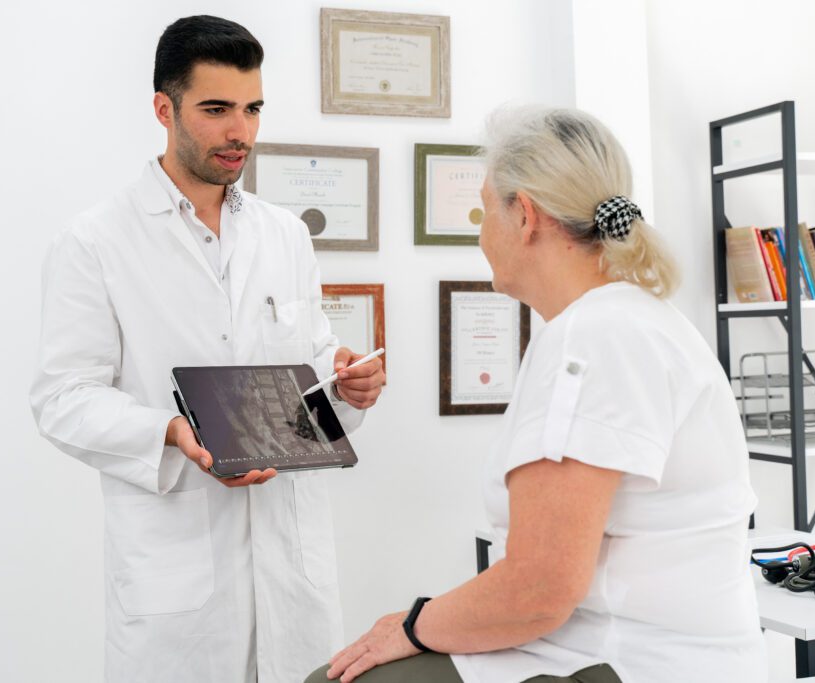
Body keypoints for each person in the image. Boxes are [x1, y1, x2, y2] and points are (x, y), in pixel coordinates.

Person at [307, 108, 765, 683]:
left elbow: (539, 590)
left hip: (630, 660)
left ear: (524, 216)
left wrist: (409, 625)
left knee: (342, 678)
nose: (480, 234)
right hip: (616, 644)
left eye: (483, 212)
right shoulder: (625, 319)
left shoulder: (592, 338)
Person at [30, 15, 385, 683]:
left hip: (292, 571)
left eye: (252, 109)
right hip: (178, 590)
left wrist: (346, 388)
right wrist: (168, 430)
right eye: (217, 109)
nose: (240, 131)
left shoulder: (285, 235)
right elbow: (61, 397)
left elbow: (309, 377)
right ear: (164, 108)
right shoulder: (96, 242)